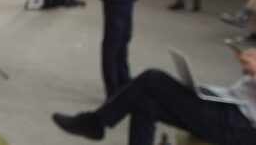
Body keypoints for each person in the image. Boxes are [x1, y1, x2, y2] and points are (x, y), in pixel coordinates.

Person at [52, 48, 256, 145]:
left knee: (153, 78)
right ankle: (96, 123)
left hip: (239, 125)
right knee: (145, 105)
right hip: (232, 104)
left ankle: (96, 122)